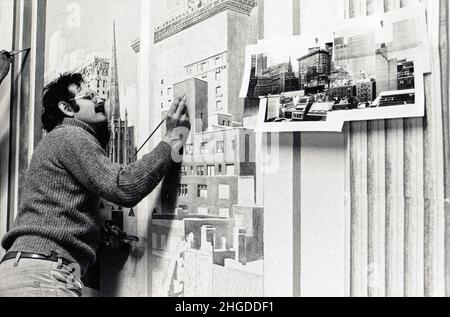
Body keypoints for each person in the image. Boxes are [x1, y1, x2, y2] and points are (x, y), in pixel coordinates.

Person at [0, 72, 190, 297]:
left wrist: (98, 233)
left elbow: (60, 212)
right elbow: (124, 187)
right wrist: (172, 138)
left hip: (23, 271)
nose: (101, 100)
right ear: (67, 108)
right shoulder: (71, 135)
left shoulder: (55, 141)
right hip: (43, 276)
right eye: (89, 96)